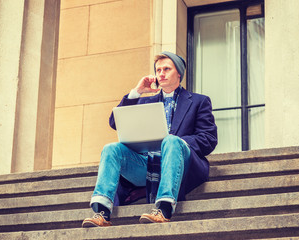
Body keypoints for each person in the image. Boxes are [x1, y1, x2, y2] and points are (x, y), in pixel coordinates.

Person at [82, 51, 217, 227]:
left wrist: (176, 143)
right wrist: (137, 92)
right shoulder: (145, 102)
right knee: (111, 148)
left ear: (179, 73)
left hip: (183, 165)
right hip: (147, 164)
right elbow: (114, 122)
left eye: (166, 69)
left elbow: (209, 138)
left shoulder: (199, 101)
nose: (161, 73)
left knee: (170, 141)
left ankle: (164, 209)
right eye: (158, 70)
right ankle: (102, 213)